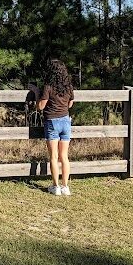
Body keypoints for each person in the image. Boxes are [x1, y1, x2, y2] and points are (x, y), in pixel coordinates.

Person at [37, 59, 74, 196]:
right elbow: (70, 104)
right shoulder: (68, 86)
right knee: (64, 156)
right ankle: (65, 186)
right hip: (65, 121)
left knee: (53, 156)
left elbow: (41, 106)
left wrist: (36, 92)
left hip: (52, 121)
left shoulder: (48, 87)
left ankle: (55, 186)